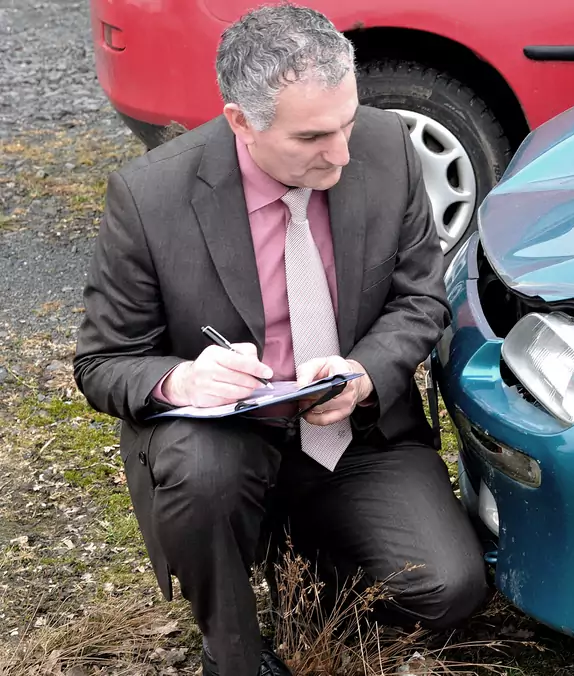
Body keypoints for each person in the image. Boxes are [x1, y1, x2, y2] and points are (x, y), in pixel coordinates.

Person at [72, 5, 488, 675]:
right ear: (241, 121)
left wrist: (364, 371)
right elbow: (102, 362)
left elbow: (421, 299)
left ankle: (303, 550)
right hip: (224, 439)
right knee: (204, 475)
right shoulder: (151, 198)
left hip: (355, 431)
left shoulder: (385, 149)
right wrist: (180, 381)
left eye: (348, 123)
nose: (343, 153)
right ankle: (232, 647)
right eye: (313, 137)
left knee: (448, 588)